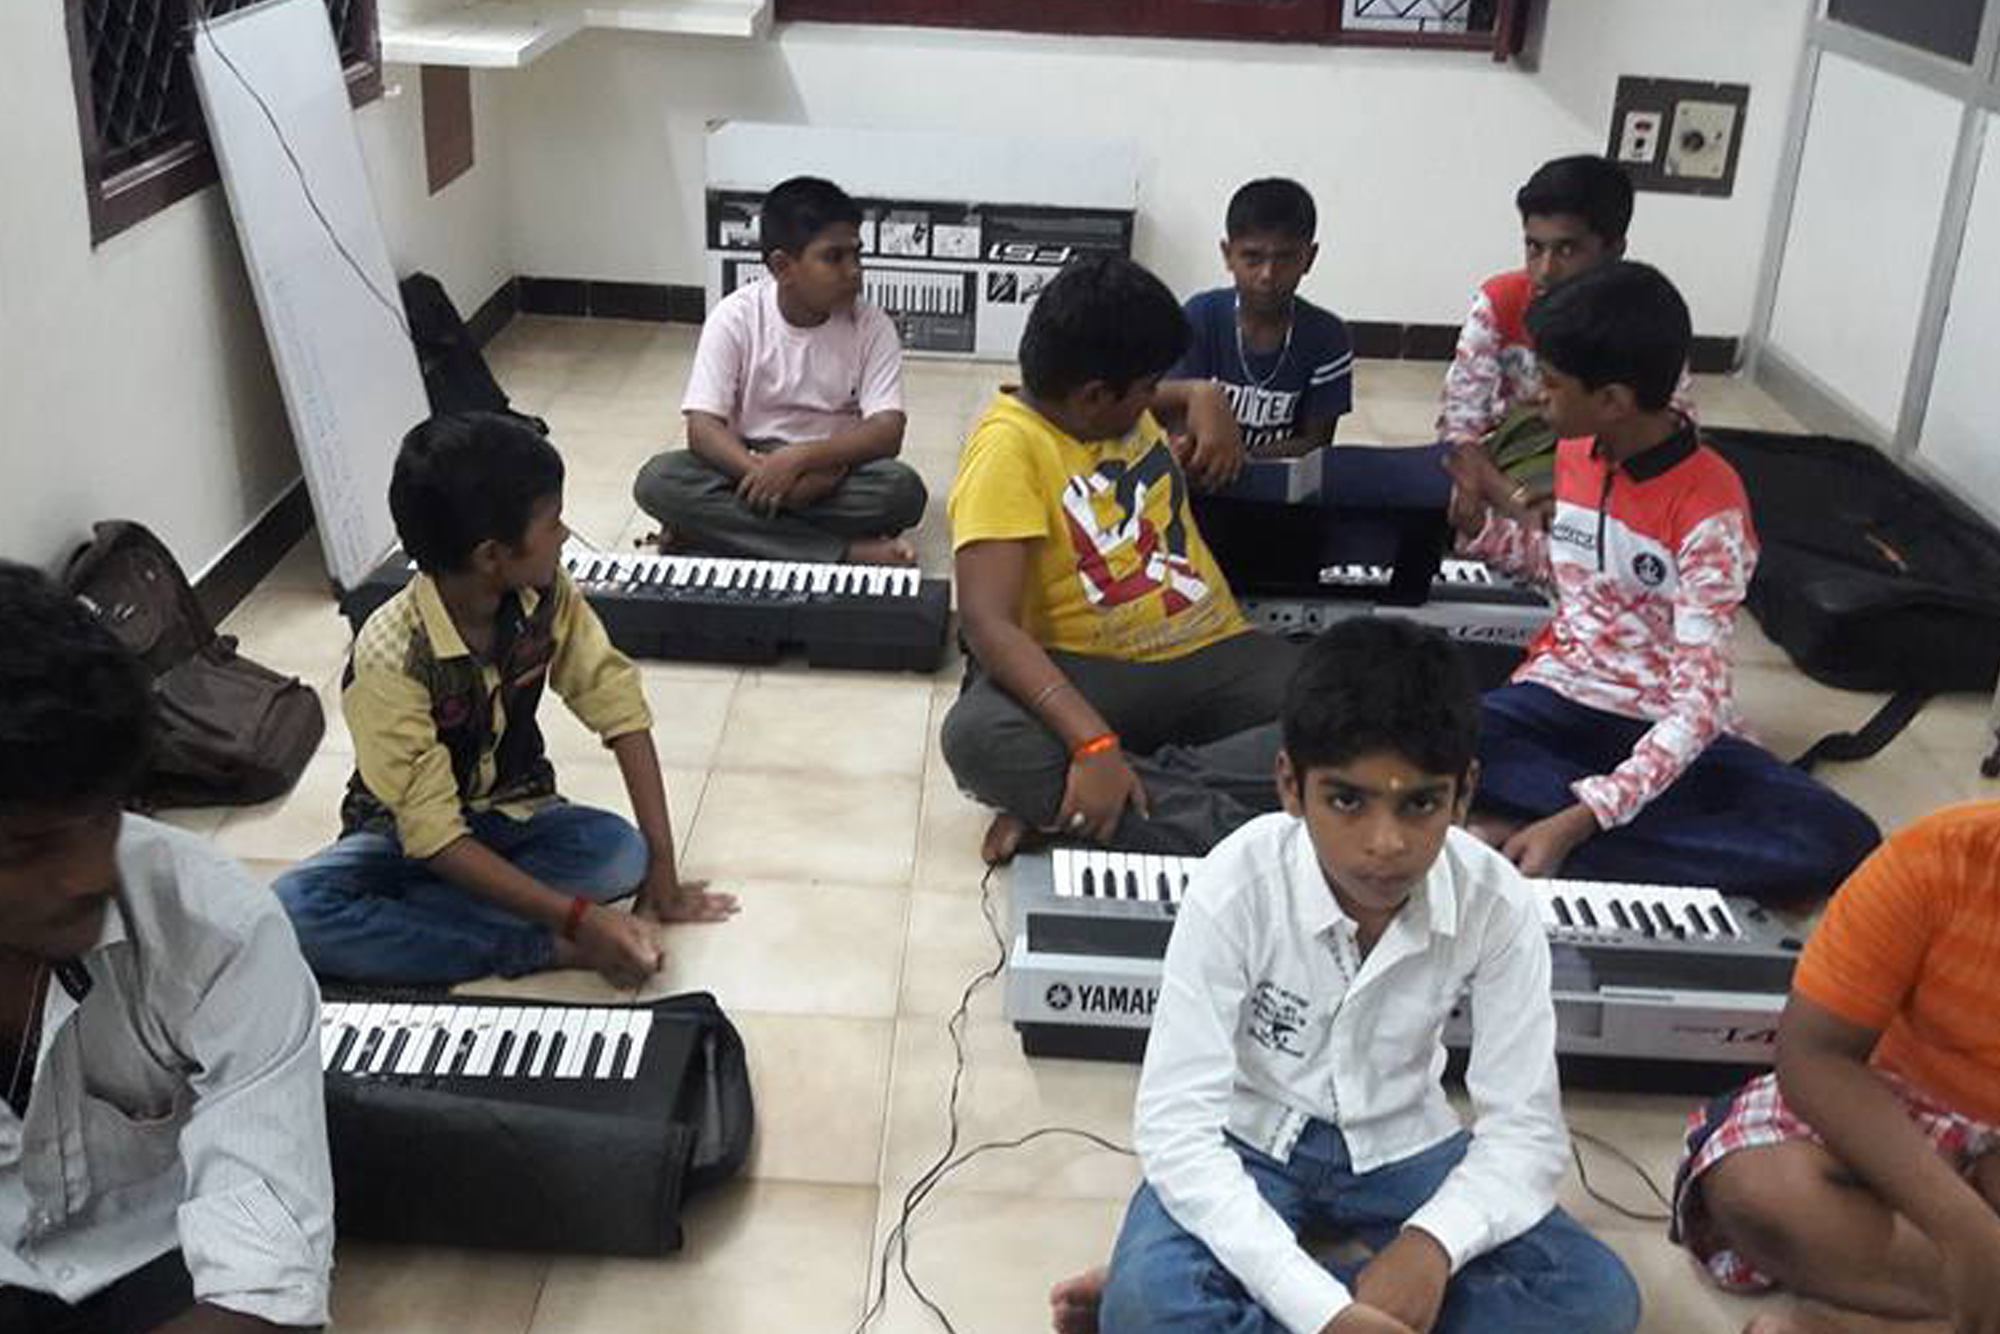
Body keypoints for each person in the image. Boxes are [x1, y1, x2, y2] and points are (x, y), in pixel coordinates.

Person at [1053, 617, 1641, 1334]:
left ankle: (1227, 1297)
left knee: (1596, 1300)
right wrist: (1324, 1312)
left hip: (1405, 1143)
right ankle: (1239, 1294)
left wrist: (1432, 1245)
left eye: (1420, 803)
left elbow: (1526, 1133)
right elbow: (1177, 1128)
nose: (1385, 844)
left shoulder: (1497, 902)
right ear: (1290, 785)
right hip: (1250, 1138)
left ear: (1463, 793)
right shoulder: (1236, 883)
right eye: (1346, 801)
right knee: (1152, 1307)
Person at [1442, 261, 1878, 902]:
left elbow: (1697, 708)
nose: (1534, 396)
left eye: (1551, 383)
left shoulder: (1710, 511)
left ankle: (1538, 831)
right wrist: (1485, 533)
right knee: (1424, 746)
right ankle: (1599, 833)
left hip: (1666, 723)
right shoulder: (1576, 451)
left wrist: (1579, 820)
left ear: (1613, 401)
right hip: (1560, 695)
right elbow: (1578, 579)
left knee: (1838, 840)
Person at [275, 413, 735, 988]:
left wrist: (662, 865)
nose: (564, 536)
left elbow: (615, 703)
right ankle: (536, 945)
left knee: (622, 854)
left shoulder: (544, 592)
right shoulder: (390, 657)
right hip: (399, 838)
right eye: (553, 522)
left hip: (512, 813)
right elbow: (433, 835)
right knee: (294, 909)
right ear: (492, 555)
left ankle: (421, 921)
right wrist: (579, 921)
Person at [0, 562, 333, 1334]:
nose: (89, 873)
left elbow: (265, 1290)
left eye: (103, 816)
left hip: (162, 1264)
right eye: (27, 847)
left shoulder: (217, 928)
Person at [938, 253, 1304, 864]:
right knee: (980, 739)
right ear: (1093, 396)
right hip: (1091, 674)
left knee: (1372, 714)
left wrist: (1205, 395)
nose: (1156, 399)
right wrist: (1090, 741)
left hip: (1214, 652)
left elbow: (1172, 396)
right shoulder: (1008, 449)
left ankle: (1100, 801)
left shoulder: (1107, 406)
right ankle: (1264, 846)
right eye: (1148, 389)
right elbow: (985, 623)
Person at [1671, 801, 2000, 1334]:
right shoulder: (1936, 855)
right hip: (1899, 1110)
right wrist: (1962, 1223)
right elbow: (1814, 1055)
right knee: (1759, 1189)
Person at [632, 175, 927, 565]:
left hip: (832, 471)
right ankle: (846, 551)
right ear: (783, 266)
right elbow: (702, 428)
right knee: (658, 481)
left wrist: (803, 462)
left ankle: (718, 535)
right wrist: (767, 475)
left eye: (857, 254)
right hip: (746, 464)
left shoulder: (872, 326)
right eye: (834, 257)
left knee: (901, 491)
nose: (854, 270)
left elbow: (887, 432)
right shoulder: (735, 317)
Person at [1438, 154, 1695, 509]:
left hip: (1610, 477)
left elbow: (1668, 433)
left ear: (1614, 250)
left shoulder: (1641, 318)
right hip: (1506, 468)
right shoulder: (1500, 301)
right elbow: (1459, 426)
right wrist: (1512, 497)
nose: (1545, 270)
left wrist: (1577, 500)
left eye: (1567, 249)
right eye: (1534, 247)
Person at [1164, 177, 1354, 460]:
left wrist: (1238, 459)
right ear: (1228, 255)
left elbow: (1317, 443)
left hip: (1278, 477)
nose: (1268, 274)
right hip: (1201, 470)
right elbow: (1174, 415)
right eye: (1252, 257)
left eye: (1285, 258)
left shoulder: (1328, 337)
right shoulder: (1200, 316)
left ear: (1309, 258)